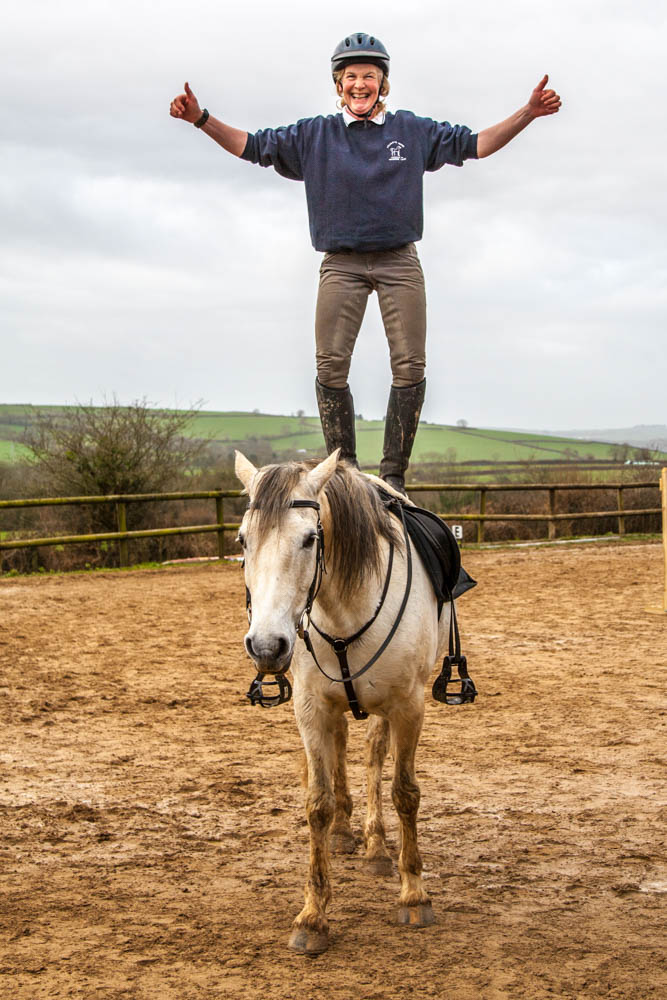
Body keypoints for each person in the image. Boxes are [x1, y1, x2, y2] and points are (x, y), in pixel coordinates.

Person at [170, 32, 561, 494]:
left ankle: (394, 475)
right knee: (329, 365)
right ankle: (348, 471)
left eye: (369, 76)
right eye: (351, 76)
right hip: (341, 263)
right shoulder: (313, 135)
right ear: (339, 85)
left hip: (399, 260)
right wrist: (201, 119)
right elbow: (251, 146)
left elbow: (476, 144)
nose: (360, 84)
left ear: (383, 83)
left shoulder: (411, 131)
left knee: (410, 365)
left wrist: (528, 114)